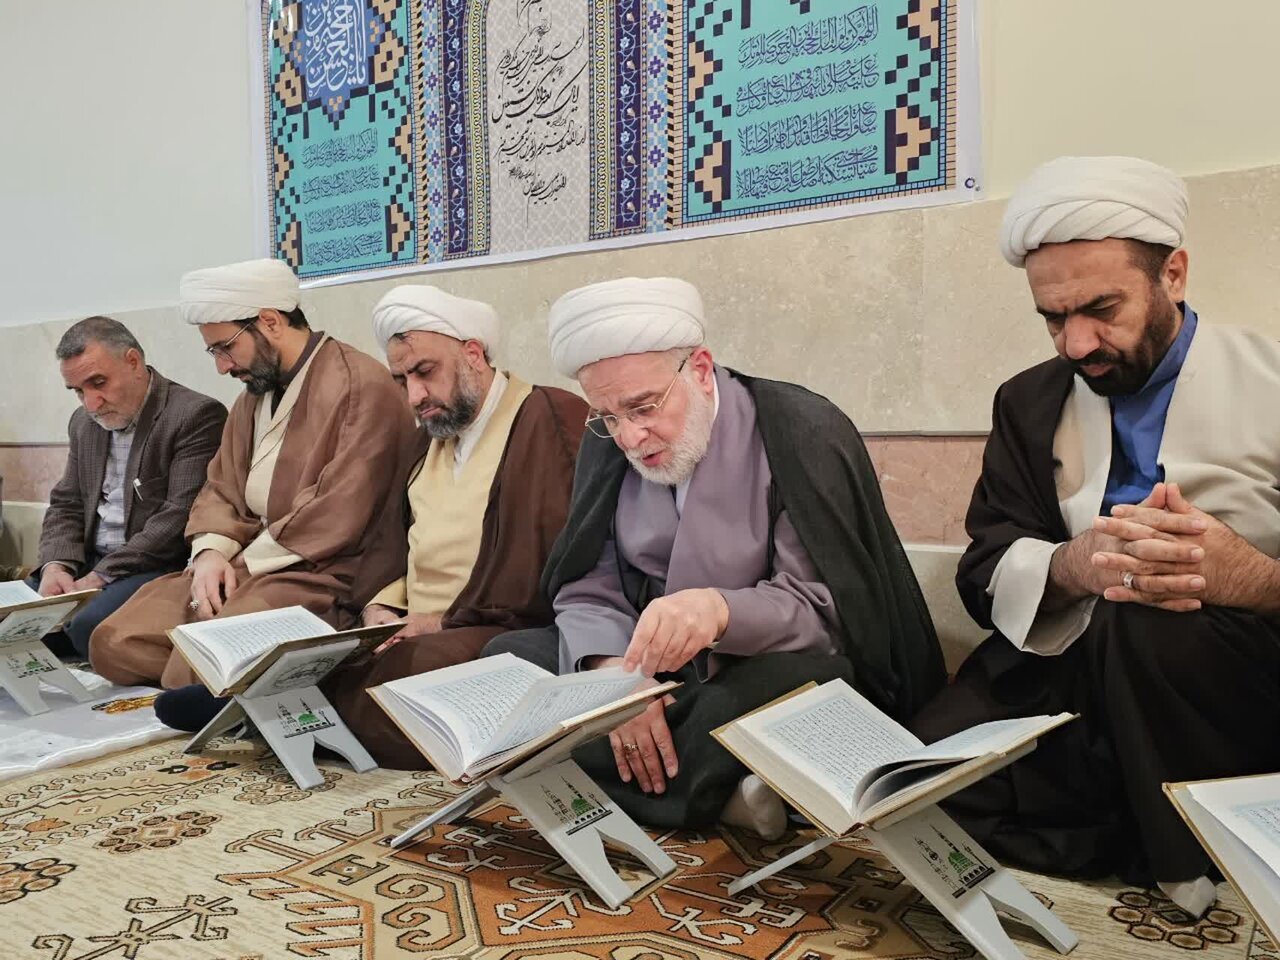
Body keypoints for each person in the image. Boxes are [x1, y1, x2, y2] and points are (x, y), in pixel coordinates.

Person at [911, 156, 1280, 916]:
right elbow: (984, 569)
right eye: (1054, 318)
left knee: (1145, 623)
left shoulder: (1271, 380)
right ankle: (1136, 824)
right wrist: (1074, 566)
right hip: (1069, 660)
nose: (1077, 344)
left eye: (1101, 309)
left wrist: (1250, 577)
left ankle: (1180, 842)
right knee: (919, 782)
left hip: (1221, 674)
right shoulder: (1027, 401)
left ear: (1173, 275)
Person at [485, 277, 945, 835]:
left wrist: (719, 612)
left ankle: (604, 771)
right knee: (508, 661)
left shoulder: (797, 430)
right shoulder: (608, 443)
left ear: (700, 370)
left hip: (753, 663)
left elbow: (823, 610)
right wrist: (613, 682)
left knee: (792, 689)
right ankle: (722, 792)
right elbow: (588, 583)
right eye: (608, 416)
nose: (629, 437)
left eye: (643, 407)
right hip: (644, 665)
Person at [90, 258, 415, 692]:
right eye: (214, 352)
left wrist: (243, 565)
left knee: (196, 667)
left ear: (270, 322)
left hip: (320, 573)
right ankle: (228, 672)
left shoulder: (362, 386)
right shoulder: (255, 394)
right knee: (112, 642)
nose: (222, 367)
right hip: (242, 561)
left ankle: (224, 674)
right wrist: (210, 555)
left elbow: (338, 513)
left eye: (225, 347)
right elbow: (221, 485)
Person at [321, 285, 587, 766]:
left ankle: (295, 722)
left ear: (473, 354)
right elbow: (393, 541)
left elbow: (557, 563)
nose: (415, 396)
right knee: (323, 643)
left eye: (425, 372)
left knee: (409, 675)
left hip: (492, 625)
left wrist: (438, 622)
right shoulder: (429, 437)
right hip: (412, 625)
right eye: (402, 380)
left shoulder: (547, 418)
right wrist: (382, 607)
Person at [30, 316, 225, 657]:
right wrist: (56, 566)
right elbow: (67, 503)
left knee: (90, 628)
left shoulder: (194, 415)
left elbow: (178, 517)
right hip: (88, 562)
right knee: (14, 616)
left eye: (98, 382)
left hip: (152, 567)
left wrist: (100, 577)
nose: (91, 403)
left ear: (133, 362)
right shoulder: (83, 422)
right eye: (78, 391)